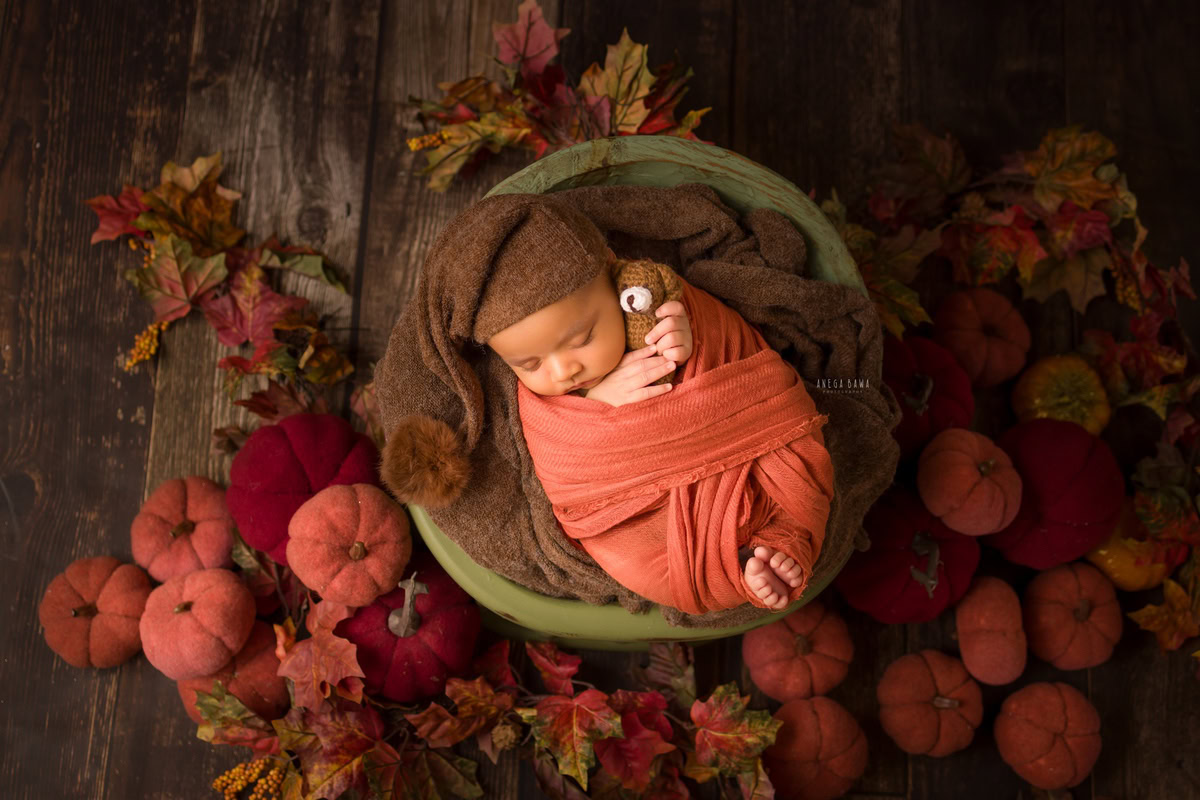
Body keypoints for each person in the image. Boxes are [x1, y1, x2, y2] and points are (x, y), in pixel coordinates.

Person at [485, 245, 811, 610]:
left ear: (615, 288)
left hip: (739, 435)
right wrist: (595, 404)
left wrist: (685, 335)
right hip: (633, 506)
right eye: (530, 364)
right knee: (635, 561)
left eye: (581, 341)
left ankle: (784, 537)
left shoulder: (643, 301)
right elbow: (560, 452)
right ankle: (738, 568)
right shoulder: (550, 397)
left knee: (798, 469)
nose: (563, 372)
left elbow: (720, 339)